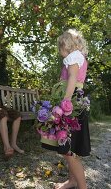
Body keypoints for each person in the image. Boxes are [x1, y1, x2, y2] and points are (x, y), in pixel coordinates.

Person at [54, 29, 91, 189]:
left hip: (71, 103)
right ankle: (72, 181)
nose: (60, 53)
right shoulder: (79, 57)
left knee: (68, 149)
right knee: (72, 148)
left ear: (66, 45)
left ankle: (82, 186)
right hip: (78, 99)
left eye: (60, 49)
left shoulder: (73, 57)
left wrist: (65, 101)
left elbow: (72, 79)